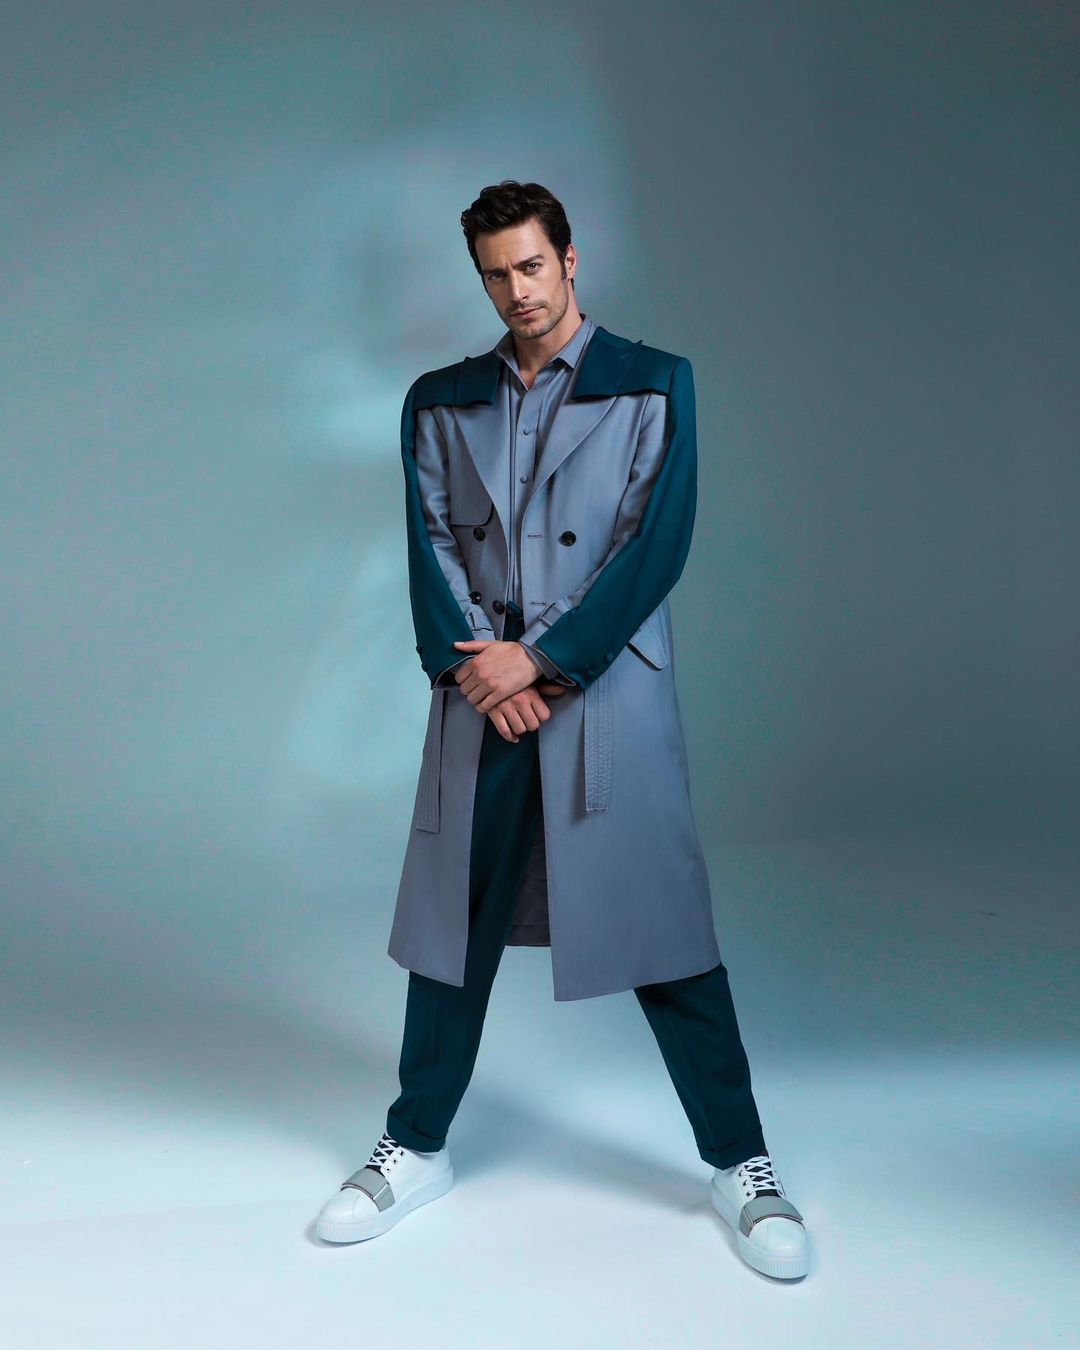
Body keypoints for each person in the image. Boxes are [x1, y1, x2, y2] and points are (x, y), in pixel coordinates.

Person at [314, 181, 810, 1280]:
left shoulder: (655, 381)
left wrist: (538, 661)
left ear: (571, 259)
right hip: (482, 698)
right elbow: (428, 543)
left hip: (604, 695)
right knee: (452, 929)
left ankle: (743, 1164)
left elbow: (653, 545)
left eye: (531, 266)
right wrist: (483, 672)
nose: (516, 291)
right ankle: (416, 1145)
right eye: (495, 274)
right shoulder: (440, 400)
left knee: (663, 930)